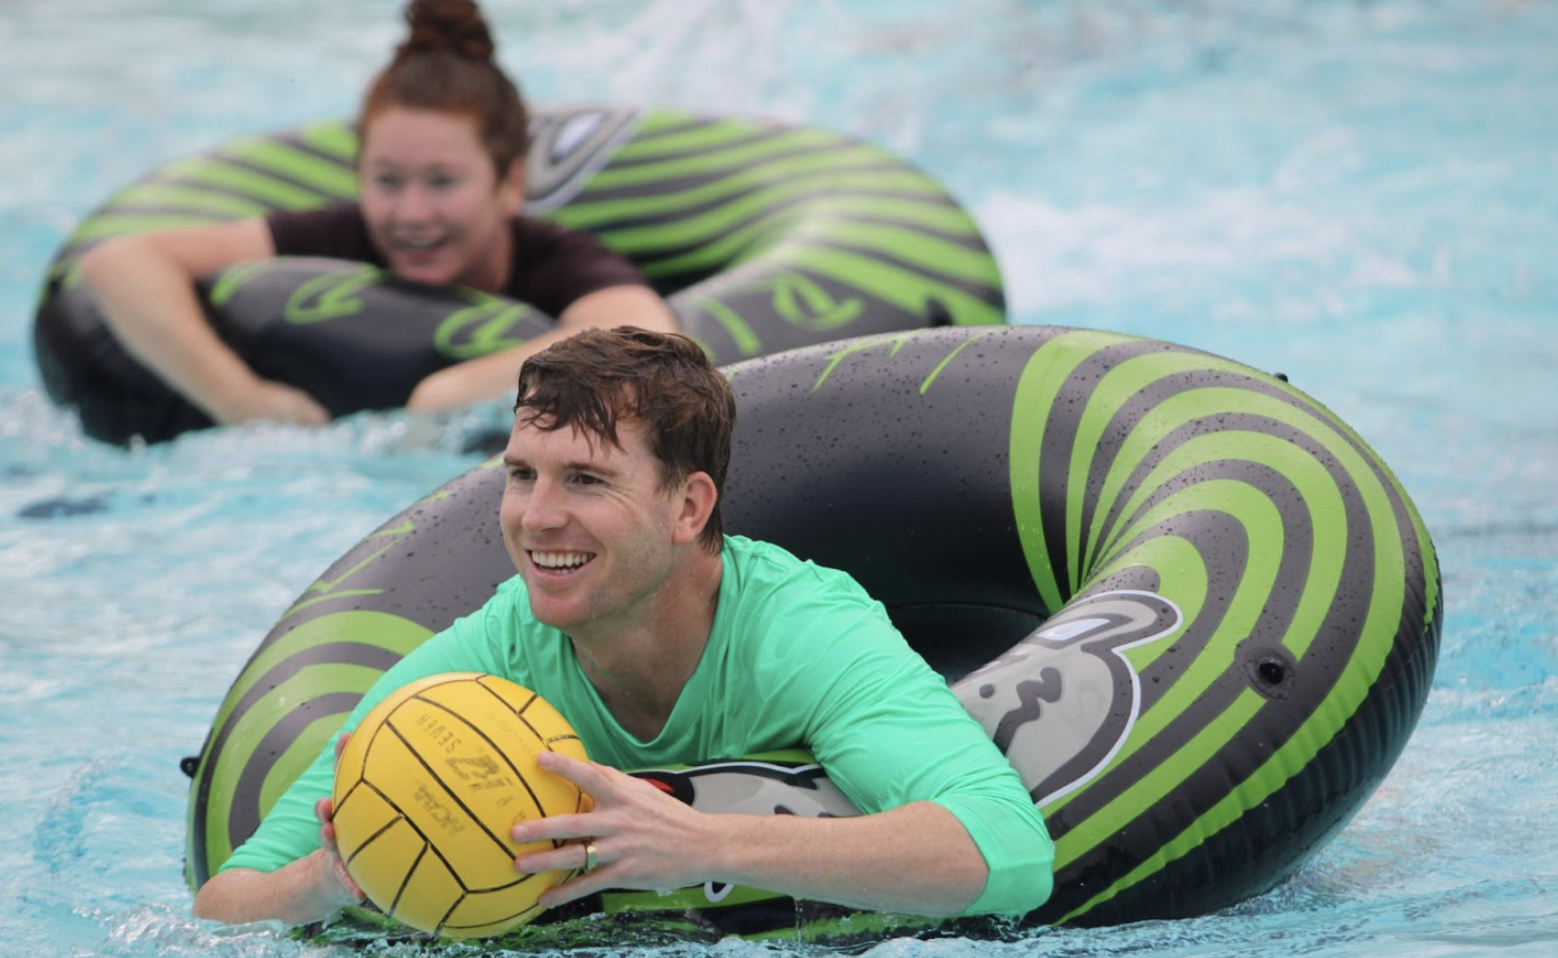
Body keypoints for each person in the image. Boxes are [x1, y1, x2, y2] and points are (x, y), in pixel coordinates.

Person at [191, 327, 1055, 928]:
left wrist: (700, 843)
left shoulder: (799, 632)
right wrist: (333, 880)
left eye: (585, 482)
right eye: (521, 474)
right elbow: (225, 898)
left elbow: (1008, 851)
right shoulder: (485, 662)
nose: (535, 517)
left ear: (687, 506)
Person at [77, 0, 675, 432]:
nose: (412, 214)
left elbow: (645, 334)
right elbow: (119, 263)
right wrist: (240, 398)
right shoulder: (340, 234)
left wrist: (446, 395)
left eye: (443, 182)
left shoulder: (554, 258)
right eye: (387, 181)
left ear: (509, 183)